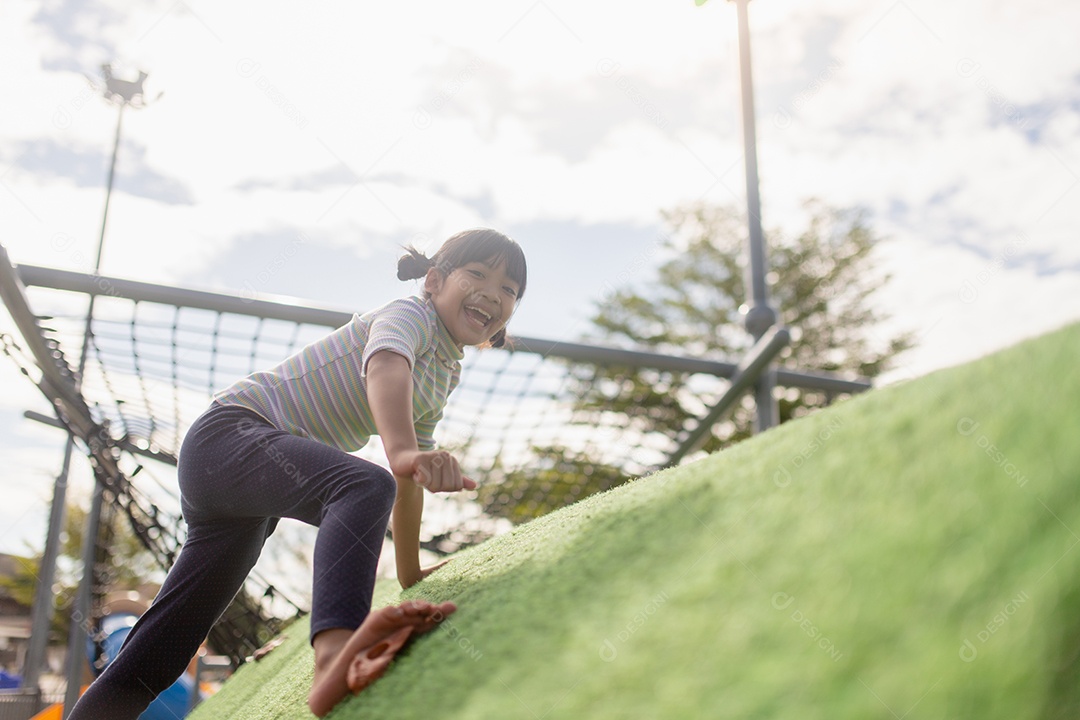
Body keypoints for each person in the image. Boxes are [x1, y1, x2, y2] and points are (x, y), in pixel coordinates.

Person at [68, 228, 527, 719]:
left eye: (509, 289)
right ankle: (333, 658)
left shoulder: (444, 372)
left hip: (244, 495)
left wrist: (411, 570)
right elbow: (385, 366)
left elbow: (409, 480)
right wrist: (400, 453)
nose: (492, 293)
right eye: (477, 274)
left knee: (164, 647)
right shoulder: (406, 314)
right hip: (228, 438)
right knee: (363, 485)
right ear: (433, 281)